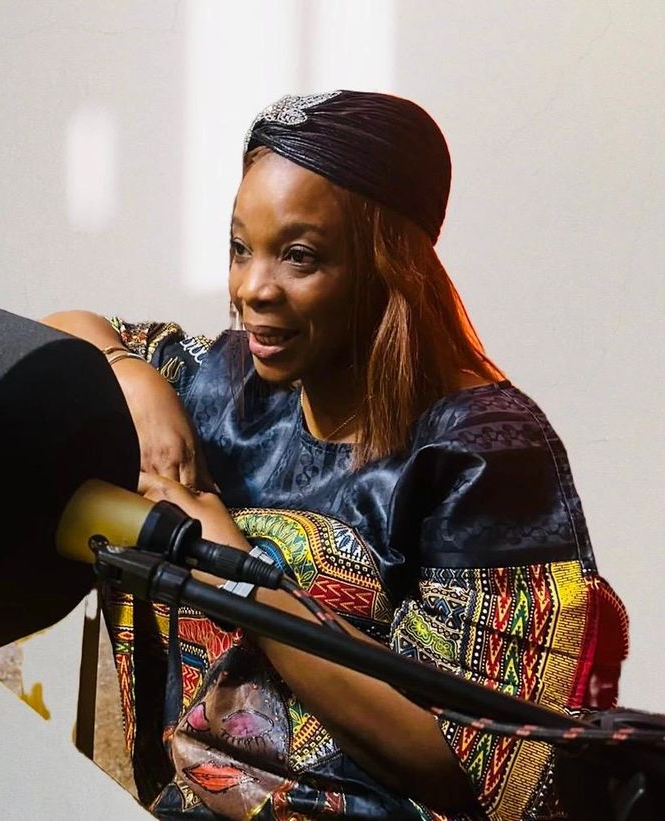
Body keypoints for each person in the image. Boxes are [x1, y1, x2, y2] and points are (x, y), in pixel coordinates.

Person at [44, 91, 628, 819]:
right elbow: (54, 334)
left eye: (299, 256)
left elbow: (472, 766)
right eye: (240, 248)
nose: (253, 289)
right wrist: (129, 374)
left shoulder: (479, 451)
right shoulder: (220, 384)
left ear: (388, 264)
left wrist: (242, 582)